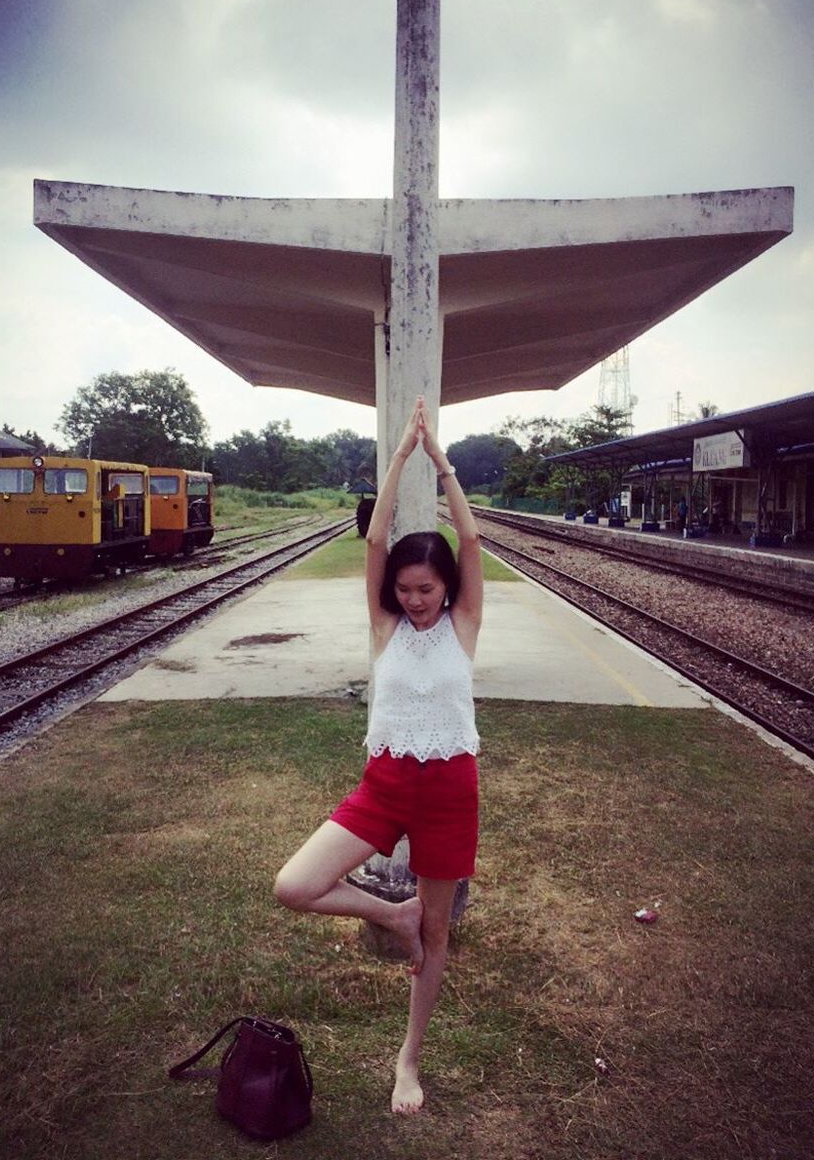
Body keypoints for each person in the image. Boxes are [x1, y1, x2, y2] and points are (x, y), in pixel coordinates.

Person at [274, 395, 484, 1115]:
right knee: (294, 885)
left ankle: (407, 1061)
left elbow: (472, 538)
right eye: (404, 589)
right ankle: (383, 914)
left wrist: (442, 464)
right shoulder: (385, 626)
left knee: (436, 935)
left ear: (446, 587)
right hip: (386, 782)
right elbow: (372, 543)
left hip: (451, 787)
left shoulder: (462, 623)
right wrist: (398, 458)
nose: (415, 599)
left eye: (425, 588)